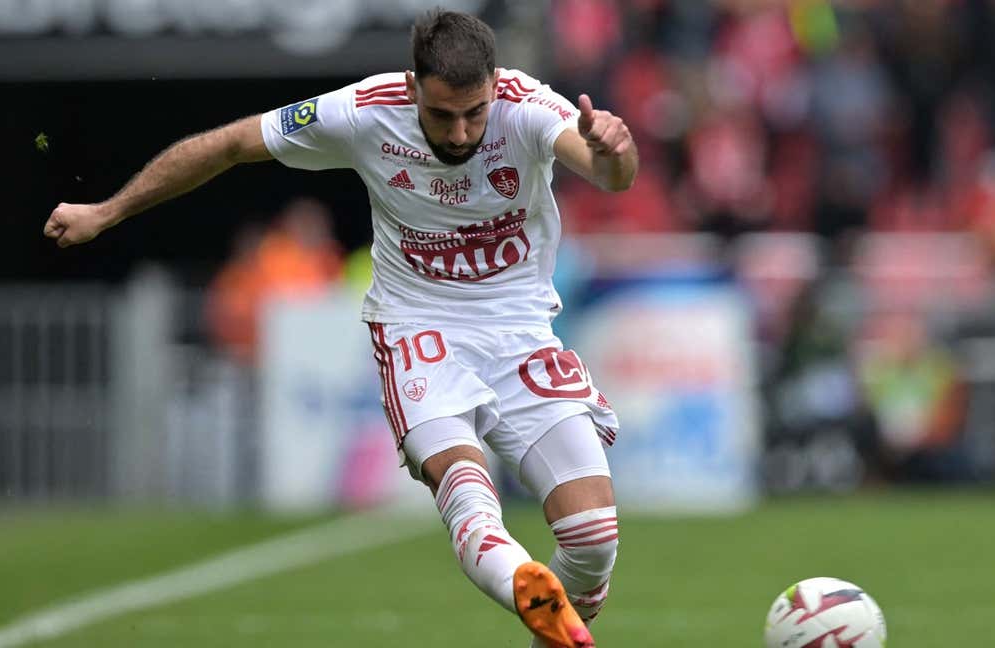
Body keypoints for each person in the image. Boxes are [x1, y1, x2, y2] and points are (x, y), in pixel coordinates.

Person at [43, 10, 636, 648]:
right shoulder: (362, 111)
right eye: (441, 115)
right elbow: (229, 144)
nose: (461, 132)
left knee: (594, 536)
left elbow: (606, 174)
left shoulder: (525, 106)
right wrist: (107, 211)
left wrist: (614, 152)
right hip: (420, 330)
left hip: (520, 333)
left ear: (495, 85)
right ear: (412, 88)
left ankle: (546, 618)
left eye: (474, 112)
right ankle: (522, 578)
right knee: (465, 487)